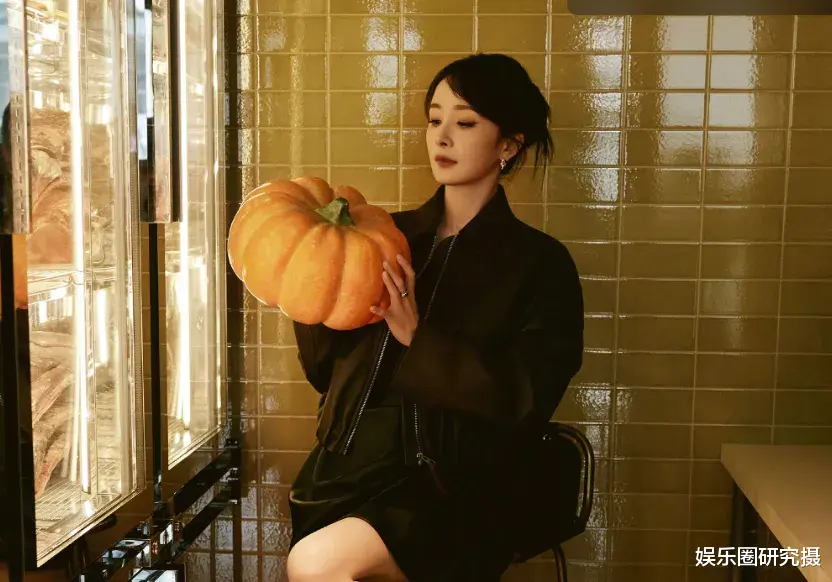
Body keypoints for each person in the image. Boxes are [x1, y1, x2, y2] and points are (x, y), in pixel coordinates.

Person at [286, 53, 585, 582]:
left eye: (465, 123)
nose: (441, 137)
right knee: (318, 558)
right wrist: (304, 287)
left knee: (316, 564)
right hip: (344, 474)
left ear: (509, 145)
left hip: (458, 489)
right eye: (434, 119)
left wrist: (416, 338)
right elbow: (325, 374)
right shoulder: (384, 238)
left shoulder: (541, 264)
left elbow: (525, 398)